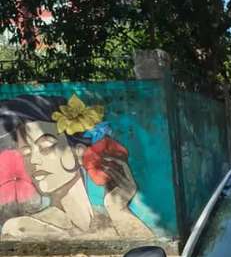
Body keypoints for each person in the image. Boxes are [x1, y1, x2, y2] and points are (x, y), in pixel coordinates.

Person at [0, 94, 152, 239]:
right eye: (25, 152)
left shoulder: (108, 218)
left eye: (46, 146)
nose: (33, 160)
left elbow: (149, 255)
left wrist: (118, 209)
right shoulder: (20, 227)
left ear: (79, 153)